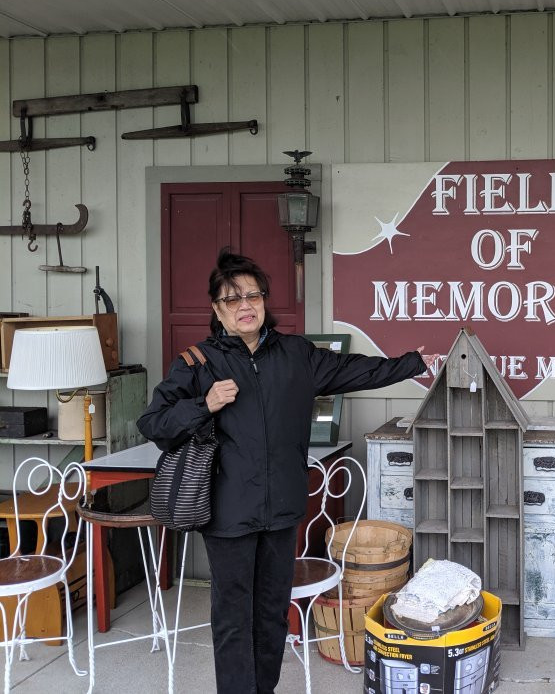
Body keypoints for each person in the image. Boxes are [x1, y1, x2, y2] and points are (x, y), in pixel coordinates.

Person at [137, 249, 435, 694]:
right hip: (227, 512)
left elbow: (356, 371)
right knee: (234, 617)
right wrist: (205, 404)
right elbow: (154, 424)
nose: (245, 305)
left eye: (252, 295)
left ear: (265, 301)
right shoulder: (197, 362)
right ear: (217, 310)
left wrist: (413, 362)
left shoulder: (296, 354)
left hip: (281, 508)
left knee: (273, 610)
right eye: (232, 299)